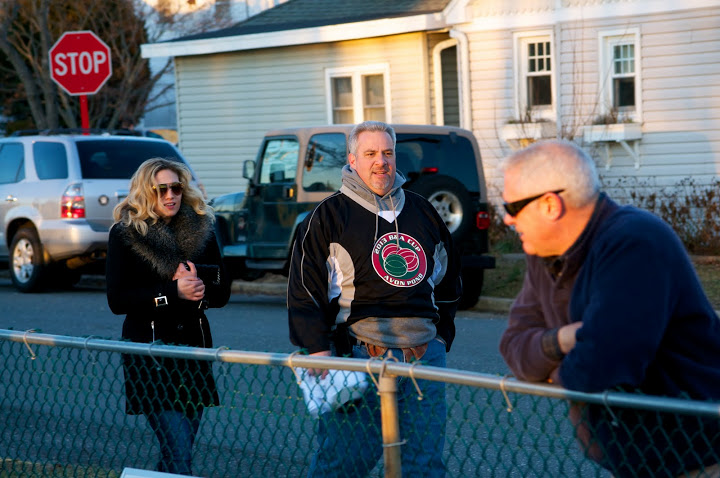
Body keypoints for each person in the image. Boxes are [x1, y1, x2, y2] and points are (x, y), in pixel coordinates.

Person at [498, 139, 720, 477]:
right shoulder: (543, 254)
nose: (506, 219)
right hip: (637, 459)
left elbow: (601, 368)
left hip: (698, 456)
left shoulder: (634, 242)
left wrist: (557, 370)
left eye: (511, 207)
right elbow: (514, 348)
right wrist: (565, 339)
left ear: (550, 204)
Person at [287, 120, 461, 477]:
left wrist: (441, 337)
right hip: (360, 359)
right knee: (343, 465)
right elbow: (304, 290)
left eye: (387, 152)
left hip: (424, 359)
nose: (381, 161)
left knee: (424, 466)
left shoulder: (423, 211)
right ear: (352, 160)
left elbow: (448, 280)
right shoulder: (328, 216)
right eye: (370, 153)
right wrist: (316, 347)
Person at [106, 157, 230, 475]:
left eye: (176, 188)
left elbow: (222, 292)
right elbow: (118, 300)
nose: (170, 195)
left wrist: (200, 285)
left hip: (193, 352)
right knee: (178, 450)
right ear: (145, 191)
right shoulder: (126, 233)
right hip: (150, 354)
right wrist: (171, 293)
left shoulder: (202, 227)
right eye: (161, 189)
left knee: (176, 451)